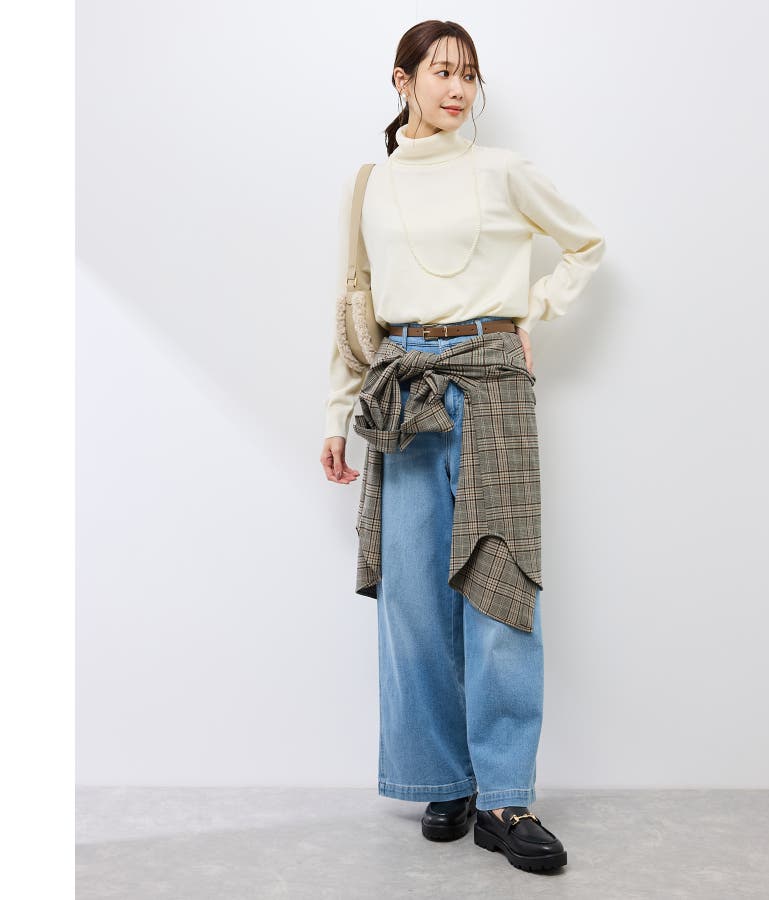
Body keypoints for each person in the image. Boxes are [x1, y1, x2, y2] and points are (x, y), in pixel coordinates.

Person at [319, 20, 605, 873]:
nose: (457, 88)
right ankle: (443, 779)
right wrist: (335, 413)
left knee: (501, 585)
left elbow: (586, 244)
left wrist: (533, 314)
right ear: (401, 79)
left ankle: (506, 797)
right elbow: (355, 299)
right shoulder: (371, 184)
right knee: (412, 598)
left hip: (492, 381)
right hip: (402, 387)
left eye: (469, 74)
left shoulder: (504, 170)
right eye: (441, 71)